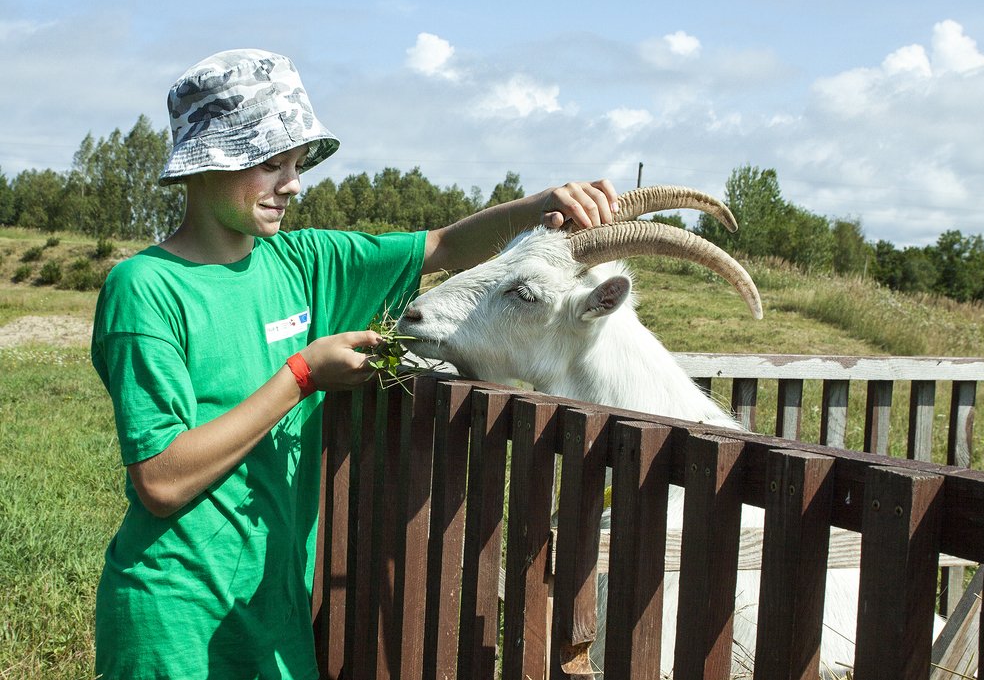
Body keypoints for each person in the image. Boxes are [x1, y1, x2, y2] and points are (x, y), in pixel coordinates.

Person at [90, 48, 618, 680]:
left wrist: (542, 206)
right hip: (174, 615)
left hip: (273, 604)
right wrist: (303, 376)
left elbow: (443, 246)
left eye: (295, 163)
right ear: (208, 165)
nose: (292, 183)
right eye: (269, 164)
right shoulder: (146, 288)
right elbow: (160, 480)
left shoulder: (302, 261)